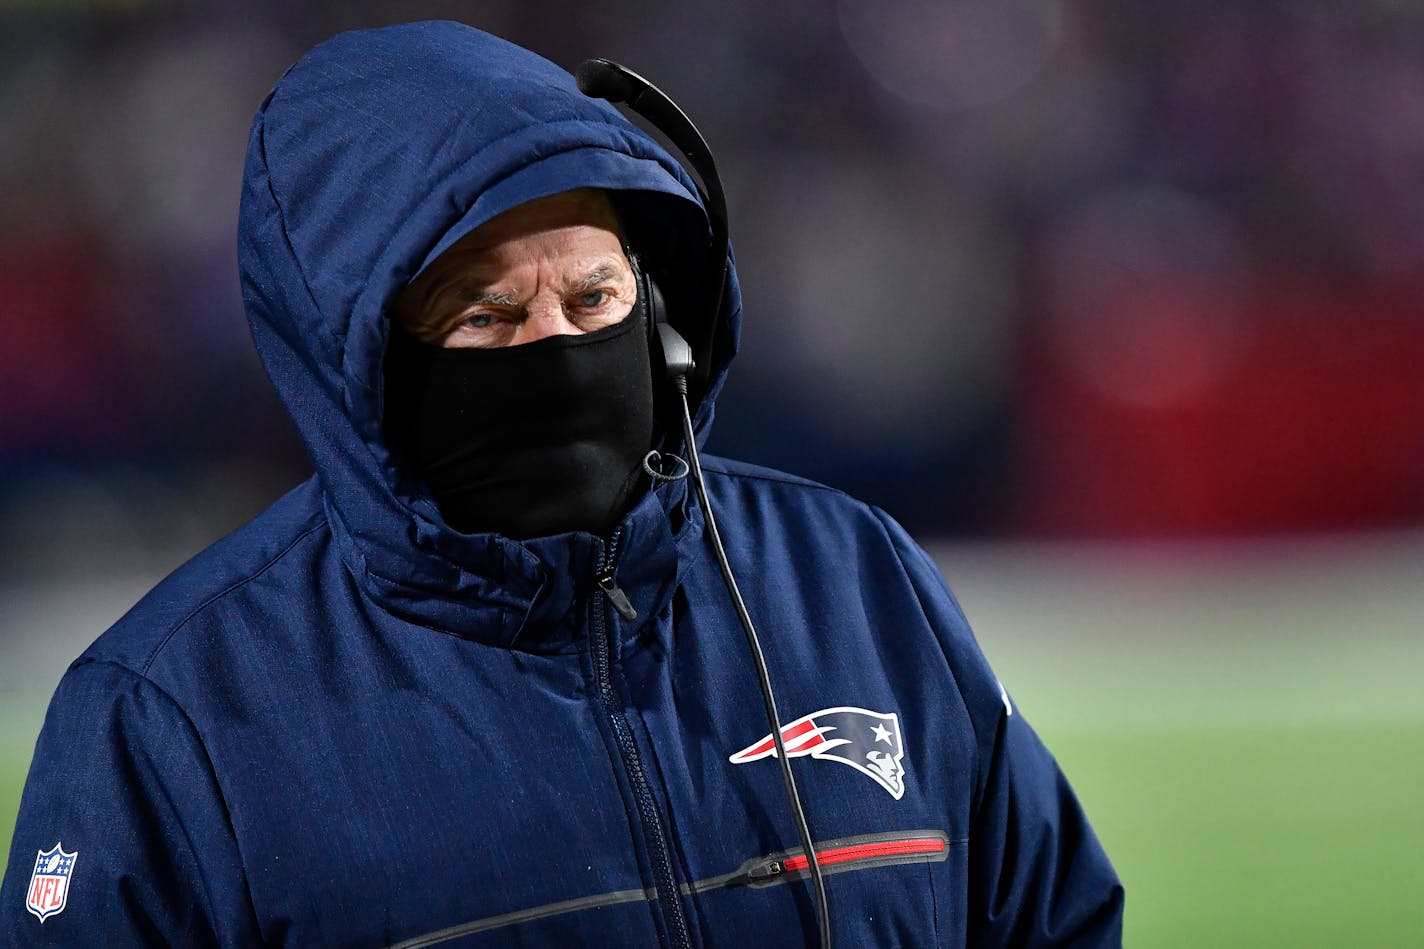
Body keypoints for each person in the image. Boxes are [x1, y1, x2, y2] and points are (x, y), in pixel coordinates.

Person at [0, 21, 1123, 947]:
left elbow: (1054, 920)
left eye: (592, 302)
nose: (557, 347)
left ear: (665, 323)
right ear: (360, 365)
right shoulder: (171, 714)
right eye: (486, 318)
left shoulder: (858, 581)